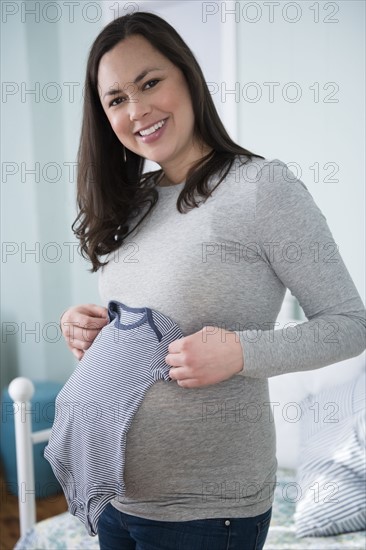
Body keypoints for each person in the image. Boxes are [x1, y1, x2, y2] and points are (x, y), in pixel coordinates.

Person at [59, 11, 366, 550]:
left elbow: (350, 324)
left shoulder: (262, 188)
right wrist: (90, 329)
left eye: (150, 82)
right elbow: (142, 326)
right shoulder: (134, 204)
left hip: (208, 513)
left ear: (188, 76)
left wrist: (239, 353)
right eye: (116, 100)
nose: (138, 110)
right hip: (118, 500)